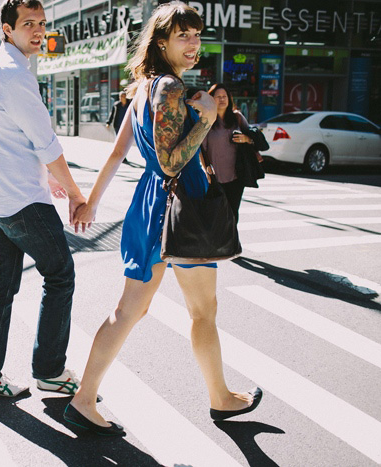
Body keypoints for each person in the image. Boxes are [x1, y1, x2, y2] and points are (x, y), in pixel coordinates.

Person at [66, 1, 262, 436]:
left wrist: (91, 202)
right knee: (202, 310)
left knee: (132, 308)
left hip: (151, 204)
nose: (194, 44)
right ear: (161, 42)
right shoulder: (170, 89)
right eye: (183, 36)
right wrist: (206, 118)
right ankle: (221, 399)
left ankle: (84, 398)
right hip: (181, 205)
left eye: (196, 34)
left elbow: (119, 152)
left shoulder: (142, 88)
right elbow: (173, 163)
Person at [0, 0, 88, 399]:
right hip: (21, 200)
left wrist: (47, 177)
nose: (38, 31)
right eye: (27, 24)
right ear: (7, 28)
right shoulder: (14, 73)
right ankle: (50, 370)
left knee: (1, 285)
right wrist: (73, 191)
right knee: (60, 274)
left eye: (41, 23)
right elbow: (45, 141)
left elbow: (11, 137)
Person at [200, 83, 255, 222]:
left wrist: (246, 139)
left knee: (232, 213)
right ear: (212, 99)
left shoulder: (237, 118)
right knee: (215, 214)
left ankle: (231, 242)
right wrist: (206, 172)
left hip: (236, 176)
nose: (222, 99)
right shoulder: (206, 119)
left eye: (225, 96)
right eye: (218, 96)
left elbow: (254, 139)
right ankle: (217, 242)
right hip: (215, 177)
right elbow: (201, 149)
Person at [106, 91, 132, 164]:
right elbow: (112, 114)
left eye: (123, 96)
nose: (121, 98)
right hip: (117, 125)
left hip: (127, 126)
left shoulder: (129, 105)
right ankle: (123, 157)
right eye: (120, 97)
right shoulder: (117, 105)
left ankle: (123, 156)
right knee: (120, 141)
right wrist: (108, 122)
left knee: (125, 142)